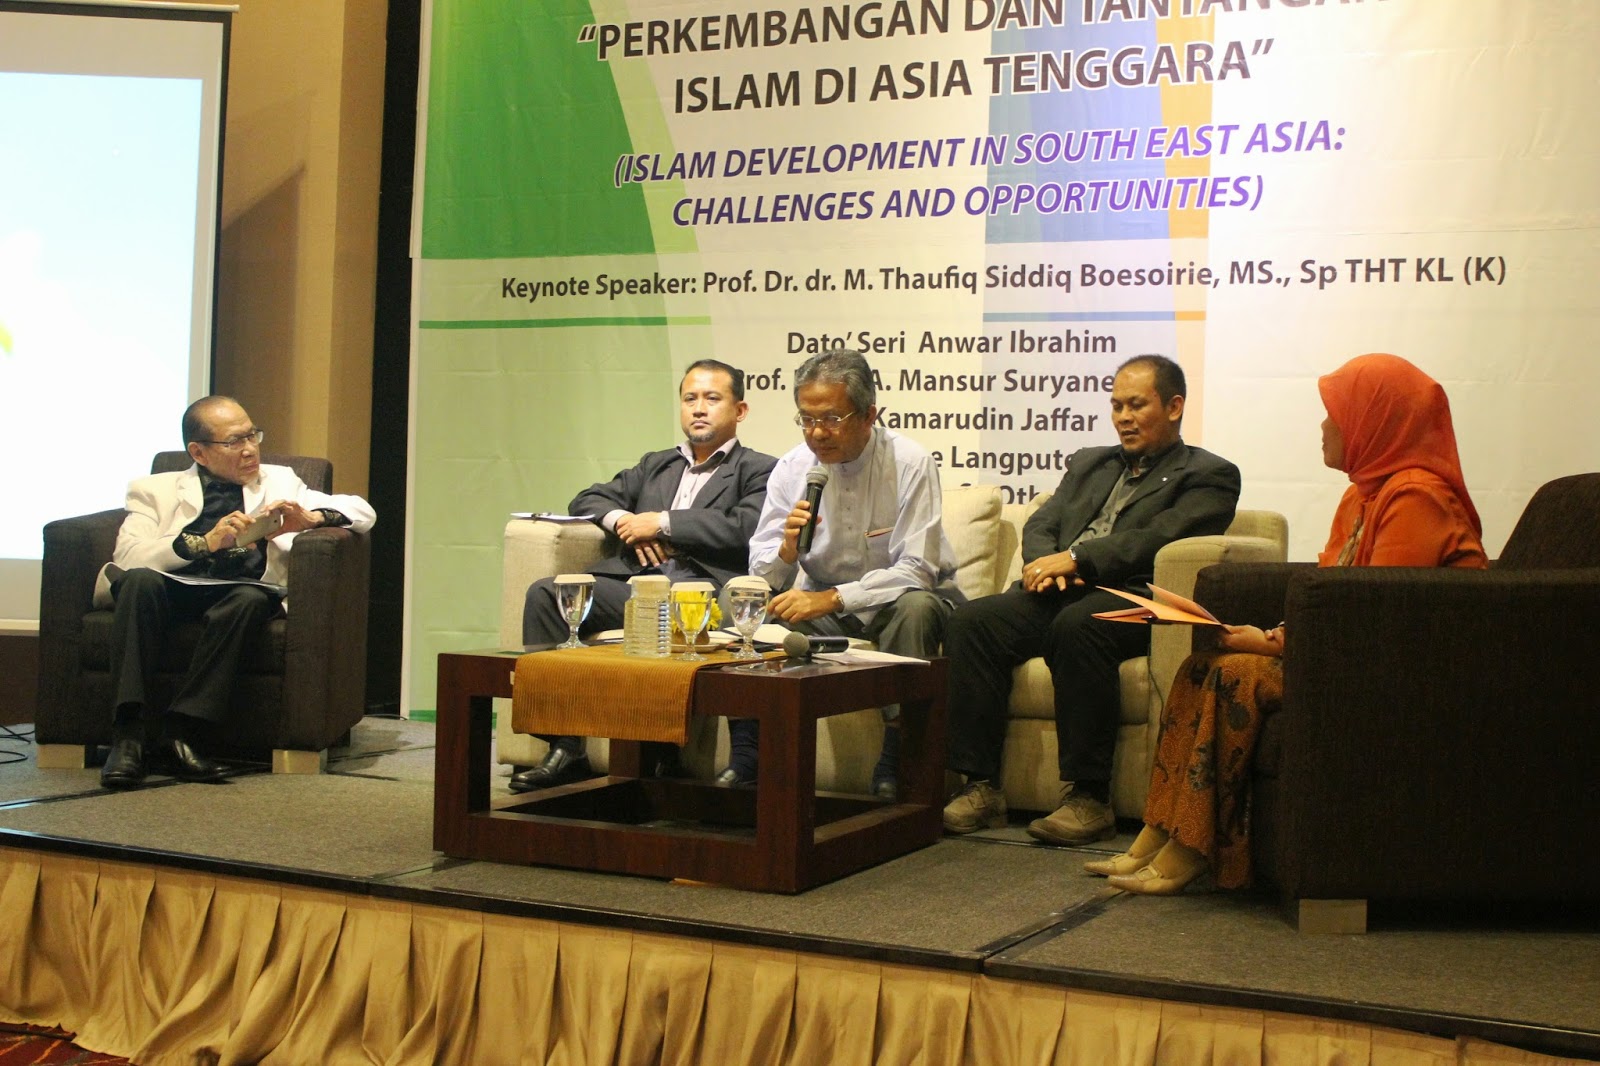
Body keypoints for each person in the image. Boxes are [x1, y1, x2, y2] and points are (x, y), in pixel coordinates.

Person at [1091, 352, 1487, 895]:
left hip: (1403, 674)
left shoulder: (1417, 498)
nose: (1325, 426)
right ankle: (1158, 830)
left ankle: (1195, 847)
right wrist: (1274, 636)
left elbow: (1376, 616)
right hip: (1350, 655)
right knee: (1199, 666)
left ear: (1375, 422)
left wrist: (1271, 646)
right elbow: (1337, 600)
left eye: (1337, 414)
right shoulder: (1363, 495)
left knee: (1236, 675)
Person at [941, 355, 1242, 842]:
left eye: (1136, 405)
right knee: (971, 622)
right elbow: (1043, 520)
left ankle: (1089, 797)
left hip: (1137, 597)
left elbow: (1159, 538)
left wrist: (1078, 559)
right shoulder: (1091, 463)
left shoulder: (1209, 475)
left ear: (1174, 407)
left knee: (1079, 626)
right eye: (1117, 406)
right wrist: (1044, 566)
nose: (1123, 417)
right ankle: (980, 786)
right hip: (1064, 591)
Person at [511, 360, 777, 792]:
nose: (699, 408)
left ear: (740, 410)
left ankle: (710, 755)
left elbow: (744, 525)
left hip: (701, 593)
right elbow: (588, 498)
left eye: (712, 398)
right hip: (636, 587)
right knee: (547, 594)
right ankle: (565, 744)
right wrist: (623, 522)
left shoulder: (759, 469)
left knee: (681, 607)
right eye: (690, 399)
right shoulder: (657, 464)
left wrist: (662, 523)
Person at [96, 396, 376, 789]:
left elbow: (364, 512)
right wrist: (204, 543)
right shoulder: (154, 490)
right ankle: (128, 735)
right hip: (169, 589)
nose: (249, 450)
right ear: (199, 452)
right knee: (139, 582)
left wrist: (311, 518)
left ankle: (181, 732)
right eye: (234, 442)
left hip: (239, 591)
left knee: (250, 600)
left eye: (251, 436)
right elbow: (128, 557)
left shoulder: (279, 481)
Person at [739, 348, 964, 799]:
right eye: (806, 419)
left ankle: (900, 754)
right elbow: (764, 572)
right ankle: (752, 757)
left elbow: (917, 569)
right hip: (824, 606)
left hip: (901, 601)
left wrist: (832, 598)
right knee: (752, 614)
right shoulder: (792, 468)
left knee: (916, 609)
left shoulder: (909, 462)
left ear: (869, 415)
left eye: (831, 419)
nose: (817, 433)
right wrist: (786, 550)